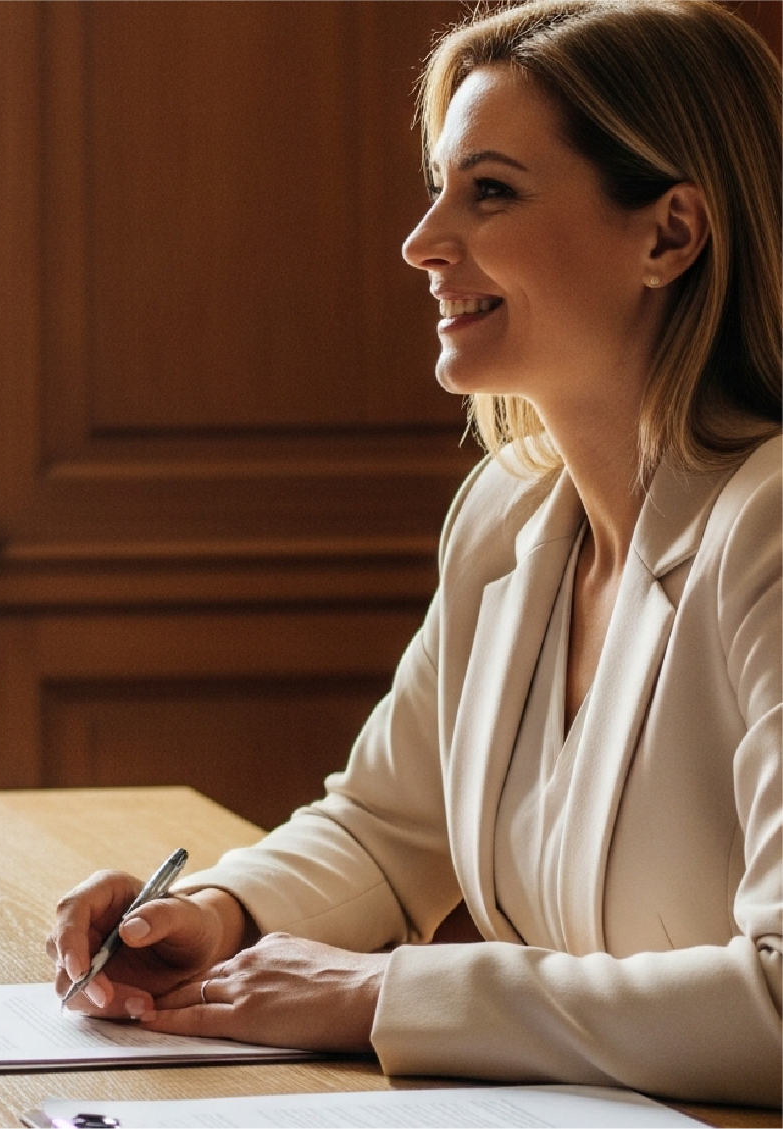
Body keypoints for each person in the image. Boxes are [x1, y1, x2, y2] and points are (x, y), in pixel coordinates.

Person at [46, 0, 783, 1107]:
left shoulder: (769, 527)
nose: (423, 240)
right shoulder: (506, 515)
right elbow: (387, 830)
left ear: (669, 235)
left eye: (489, 192)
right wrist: (215, 915)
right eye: (438, 186)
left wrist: (388, 994)